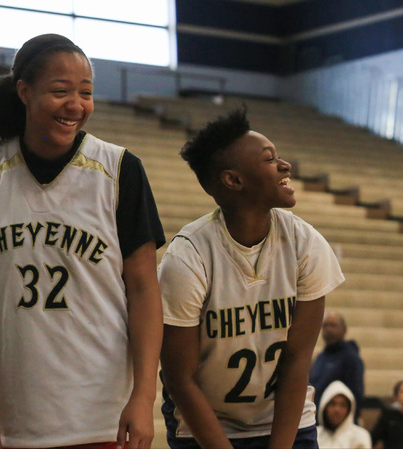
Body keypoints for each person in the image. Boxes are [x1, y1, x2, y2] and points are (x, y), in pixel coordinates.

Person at [0, 33, 165, 449]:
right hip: (13, 418)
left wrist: (144, 396)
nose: (76, 105)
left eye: (86, 93)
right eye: (60, 91)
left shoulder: (120, 169)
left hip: (102, 415)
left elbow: (144, 288)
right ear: (24, 92)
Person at [158, 107, 345, 449]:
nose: (285, 166)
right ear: (234, 180)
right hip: (204, 426)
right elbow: (179, 379)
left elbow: (296, 360)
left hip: (285, 422)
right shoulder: (188, 257)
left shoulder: (305, 243)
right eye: (270, 159)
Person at [310, 310, 365, 422]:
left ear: (344, 329)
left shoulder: (351, 358)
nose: (328, 329)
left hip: (340, 422)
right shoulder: (320, 357)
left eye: (333, 325)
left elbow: (356, 394)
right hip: (318, 421)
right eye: (325, 326)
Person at [317, 381, 371, 448]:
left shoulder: (360, 436)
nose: (337, 410)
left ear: (349, 409)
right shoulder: (314, 435)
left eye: (343, 405)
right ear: (324, 406)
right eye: (332, 404)